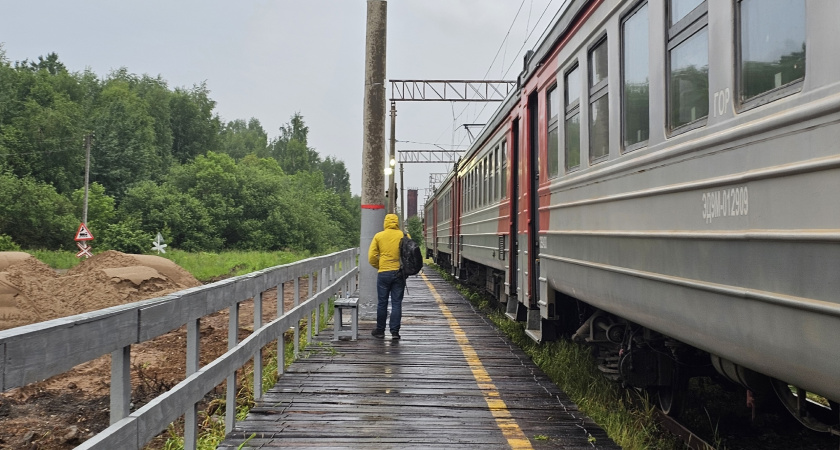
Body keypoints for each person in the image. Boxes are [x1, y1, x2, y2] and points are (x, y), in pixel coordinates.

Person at [367, 213, 405, 339]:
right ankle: (395, 332)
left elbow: (372, 256)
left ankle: (380, 330)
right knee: (396, 303)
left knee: (382, 303)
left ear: (385, 222)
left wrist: (380, 266)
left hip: (383, 273)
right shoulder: (403, 236)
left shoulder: (379, 236)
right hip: (399, 273)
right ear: (397, 222)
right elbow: (409, 254)